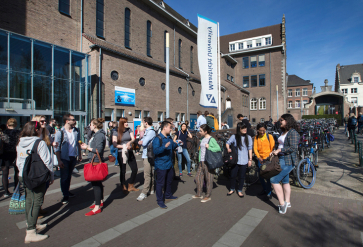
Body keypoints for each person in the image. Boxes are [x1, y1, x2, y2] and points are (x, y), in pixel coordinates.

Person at [16, 121, 54, 243]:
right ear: (36, 130)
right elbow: (47, 161)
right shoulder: (39, 143)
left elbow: (18, 161)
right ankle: (31, 232)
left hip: (22, 174)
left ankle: (31, 224)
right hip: (36, 176)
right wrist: (51, 175)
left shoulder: (20, 142)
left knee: (29, 200)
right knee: (37, 201)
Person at [270, 114, 299, 214]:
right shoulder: (283, 132)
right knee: (285, 181)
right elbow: (281, 144)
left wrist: (280, 150)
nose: (280, 121)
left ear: (287, 121)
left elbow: (293, 148)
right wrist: (275, 151)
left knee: (274, 180)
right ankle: (288, 202)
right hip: (282, 158)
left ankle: (282, 205)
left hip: (288, 160)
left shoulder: (293, 133)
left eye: (281, 120)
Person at [54, 113, 82, 205]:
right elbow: (57, 148)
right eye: (73, 119)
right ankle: (65, 195)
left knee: (69, 176)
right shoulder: (60, 132)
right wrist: (59, 160)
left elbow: (78, 143)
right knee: (64, 177)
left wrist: (80, 155)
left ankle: (67, 191)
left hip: (73, 157)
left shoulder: (76, 131)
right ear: (67, 121)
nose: (75, 121)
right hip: (64, 158)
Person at [80, 118, 106, 216]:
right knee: (98, 183)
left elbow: (98, 150)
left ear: (94, 126)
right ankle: (100, 201)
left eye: (90, 124)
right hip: (94, 160)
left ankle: (97, 207)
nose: (89, 126)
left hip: (95, 161)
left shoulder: (99, 135)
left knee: (95, 185)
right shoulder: (97, 134)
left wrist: (86, 147)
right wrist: (87, 146)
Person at [153, 121, 180, 209]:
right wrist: (164, 147)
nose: (171, 129)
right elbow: (155, 151)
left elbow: (172, 146)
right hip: (161, 164)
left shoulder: (168, 137)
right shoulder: (157, 139)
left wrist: (177, 144)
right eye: (170, 127)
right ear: (164, 127)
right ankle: (160, 201)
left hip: (169, 164)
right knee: (160, 183)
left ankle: (168, 195)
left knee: (169, 180)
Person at [192, 124, 221, 203]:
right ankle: (199, 194)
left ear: (205, 131)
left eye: (201, 131)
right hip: (201, 162)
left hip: (208, 162)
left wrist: (210, 147)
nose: (199, 132)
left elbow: (218, 148)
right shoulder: (202, 138)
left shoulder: (211, 139)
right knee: (198, 178)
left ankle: (208, 196)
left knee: (209, 179)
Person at [225, 122, 253, 198]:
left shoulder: (248, 137)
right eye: (242, 128)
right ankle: (232, 189)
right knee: (233, 175)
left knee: (242, 176)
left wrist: (250, 159)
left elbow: (250, 149)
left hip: (244, 160)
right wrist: (228, 148)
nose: (245, 129)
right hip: (235, 160)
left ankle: (240, 190)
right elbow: (227, 143)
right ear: (239, 129)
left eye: (245, 128)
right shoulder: (234, 137)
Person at [113, 117, 139, 194]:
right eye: (125, 122)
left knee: (135, 169)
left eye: (127, 122)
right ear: (121, 124)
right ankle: (123, 185)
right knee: (123, 170)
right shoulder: (116, 131)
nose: (127, 123)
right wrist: (124, 146)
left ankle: (131, 185)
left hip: (130, 151)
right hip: (121, 152)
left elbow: (133, 138)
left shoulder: (129, 129)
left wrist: (130, 142)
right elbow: (115, 144)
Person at [137, 117, 156, 201]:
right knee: (150, 173)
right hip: (147, 155)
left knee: (147, 174)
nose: (142, 123)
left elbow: (143, 143)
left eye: (143, 122)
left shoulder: (150, 132)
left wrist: (141, 141)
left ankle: (144, 192)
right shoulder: (148, 131)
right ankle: (151, 189)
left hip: (148, 155)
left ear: (146, 122)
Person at [253, 123, 275, 199]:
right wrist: (259, 157)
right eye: (260, 131)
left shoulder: (270, 137)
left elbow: (272, 147)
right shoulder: (256, 137)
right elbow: (255, 149)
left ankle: (269, 192)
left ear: (265, 129)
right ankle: (265, 189)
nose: (262, 132)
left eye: (263, 130)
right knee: (261, 175)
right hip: (260, 159)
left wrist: (269, 155)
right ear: (257, 130)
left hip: (268, 159)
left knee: (268, 176)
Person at [1, 118, 20, 198]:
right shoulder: (18, 132)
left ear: (7, 124)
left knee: (5, 173)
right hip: (16, 153)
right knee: (17, 172)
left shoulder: (3, 133)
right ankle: (16, 190)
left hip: (5, 154)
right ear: (15, 125)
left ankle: (6, 191)